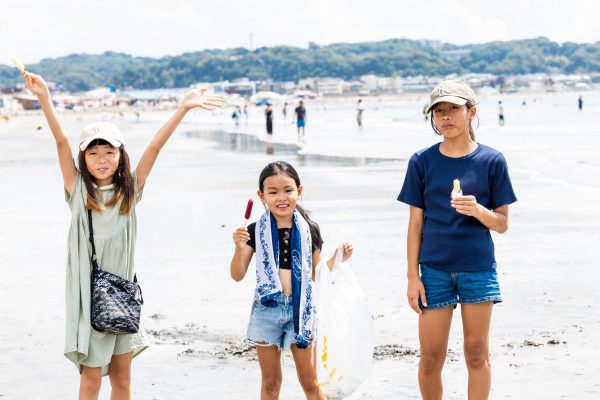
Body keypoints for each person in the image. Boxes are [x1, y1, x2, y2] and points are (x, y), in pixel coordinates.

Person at [21, 70, 223, 399]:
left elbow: (155, 147)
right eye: (93, 153)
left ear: (120, 156)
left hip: (124, 298)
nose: (102, 159)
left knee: (123, 382)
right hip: (91, 301)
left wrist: (183, 109)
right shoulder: (78, 193)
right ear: (83, 159)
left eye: (109, 152)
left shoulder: (129, 192)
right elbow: (60, 141)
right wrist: (44, 97)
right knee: (90, 381)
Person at [397, 79, 517, 400]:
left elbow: (502, 224)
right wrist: (412, 277)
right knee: (430, 358)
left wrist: (478, 210)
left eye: (453, 109)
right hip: (433, 271)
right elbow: (415, 224)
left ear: (471, 112)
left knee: (477, 353)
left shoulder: (492, 161)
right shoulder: (421, 161)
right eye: (439, 111)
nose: (445, 117)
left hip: (478, 270)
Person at [230, 161, 353, 400]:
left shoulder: (309, 229)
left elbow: (318, 273)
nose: (281, 198)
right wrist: (238, 248)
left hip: (302, 310)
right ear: (261, 196)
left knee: (310, 382)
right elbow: (237, 274)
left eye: (288, 190)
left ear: (300, 191)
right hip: (266, 310)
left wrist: (337, 258)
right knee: (270, 383)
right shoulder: (255, 230)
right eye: (273, 192)